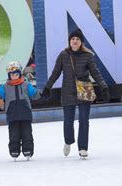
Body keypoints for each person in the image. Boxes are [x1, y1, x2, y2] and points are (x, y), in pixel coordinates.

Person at [42, 29, 109, 159]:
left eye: (77, 39)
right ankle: (68, 141)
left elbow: (96, 73)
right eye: (73, 39)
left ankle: (83, 148)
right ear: (69, 41)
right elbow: (56, 72)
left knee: (84, 121)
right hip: (67, 92)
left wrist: (104, 87)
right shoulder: (63, 55)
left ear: (81, 42)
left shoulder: (88, 56)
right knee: (68, 121)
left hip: (84, 91)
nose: (75, 41)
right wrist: (47, 87)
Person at [0, 61, 41, 161]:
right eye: (12, 75)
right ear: (9, 75)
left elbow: (34, 94)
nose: (15, 76)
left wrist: (42, 93)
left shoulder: (26, 85)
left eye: (17, 74)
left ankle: (28, 150)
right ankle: (14, 150)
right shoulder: (5, 87)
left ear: (20, 74)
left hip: (25, 114)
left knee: (27, 133)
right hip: (12, 115)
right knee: (14, 134)